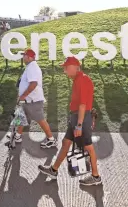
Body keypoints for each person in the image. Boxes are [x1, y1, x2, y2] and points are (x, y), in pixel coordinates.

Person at [39, 56, 102, 186]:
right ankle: (53, 170)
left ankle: (96, 176)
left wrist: (79, 125)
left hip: (81, 118)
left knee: (88, 148)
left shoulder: (83, 79)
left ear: (75, 67)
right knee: (66, 143)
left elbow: (83, 104)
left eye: (66, 68)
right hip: (76, 117)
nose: (65, 71)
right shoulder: (78, 79)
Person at [12, 48, 57, 148]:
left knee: (40, 120)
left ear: (29, 57)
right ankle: (18, 136)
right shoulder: (30, 67)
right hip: (28, 100)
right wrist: (21, 96)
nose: (23, 58)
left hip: (33, 100)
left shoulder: (32, 67)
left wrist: (23, 96)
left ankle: (51, 139)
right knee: (21, 117)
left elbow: (33, 84)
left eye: (24, 56)